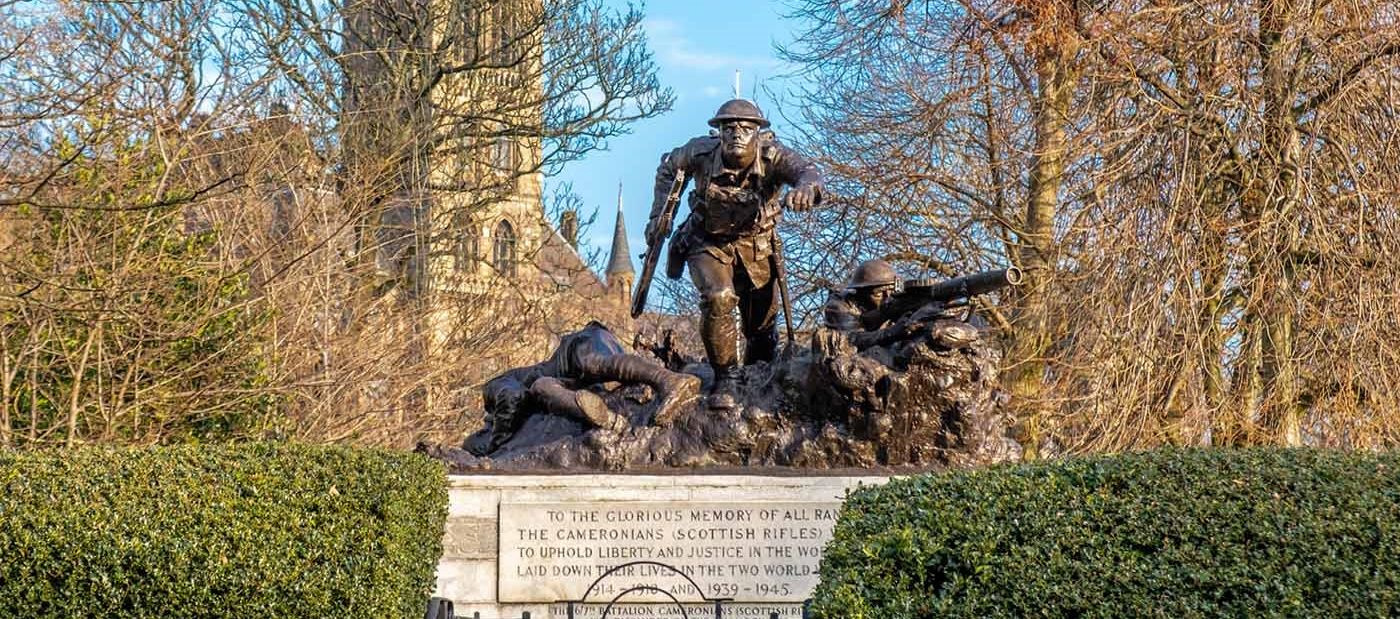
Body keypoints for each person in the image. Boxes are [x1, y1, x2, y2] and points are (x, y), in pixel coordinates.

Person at [645, 98, 824, 409]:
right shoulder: (699, 151)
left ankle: (759, 379)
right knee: (719, 297)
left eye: (745, 128)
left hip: (756, 248)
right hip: (707, 241)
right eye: (729, 128)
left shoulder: (773, 157)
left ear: (758, 133)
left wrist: (807, 189)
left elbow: (808, 172)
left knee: (762, 330)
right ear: (719, 132)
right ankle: (726, 378)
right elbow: (667, 169)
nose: (737, 134)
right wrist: (658, 216)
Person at [465, 321, 701, 456]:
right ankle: (606, 419)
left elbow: (511, 397)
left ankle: (668, 380)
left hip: (577, 349)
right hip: (576, 382)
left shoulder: (496, 386)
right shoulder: (538, 390)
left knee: (592, 363)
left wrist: (494, 447)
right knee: (543, 386)